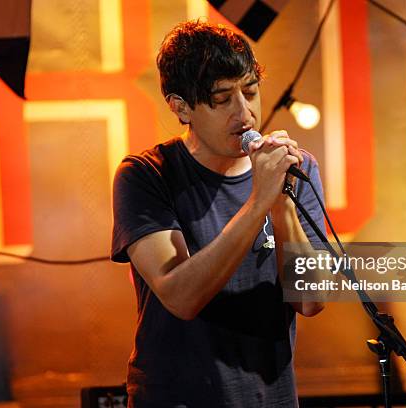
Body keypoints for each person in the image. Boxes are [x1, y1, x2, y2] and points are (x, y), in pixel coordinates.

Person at [111, 20, 326, 407]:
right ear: (181, 106)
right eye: (222, 98)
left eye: (250, 92)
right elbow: (180, 297)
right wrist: (259, 201)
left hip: (271, 397)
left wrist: (281, 206)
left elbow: (310, 301)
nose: (244, 112)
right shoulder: (146, 175)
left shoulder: (296, 168)